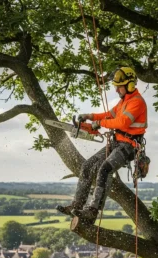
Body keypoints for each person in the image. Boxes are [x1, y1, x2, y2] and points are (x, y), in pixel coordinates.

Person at [56, 66, 148, 224]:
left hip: (129, 146)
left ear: (130, 85)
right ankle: (76, 205)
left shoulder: (137, 102)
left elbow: (123, 122)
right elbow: (108, 115)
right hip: (116, 142)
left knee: (104, 169)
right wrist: (90, 117)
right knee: (87, 166)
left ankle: (92, 211)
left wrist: (99, 123)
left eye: (119, 87)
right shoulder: (123, 102)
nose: (117, 90)